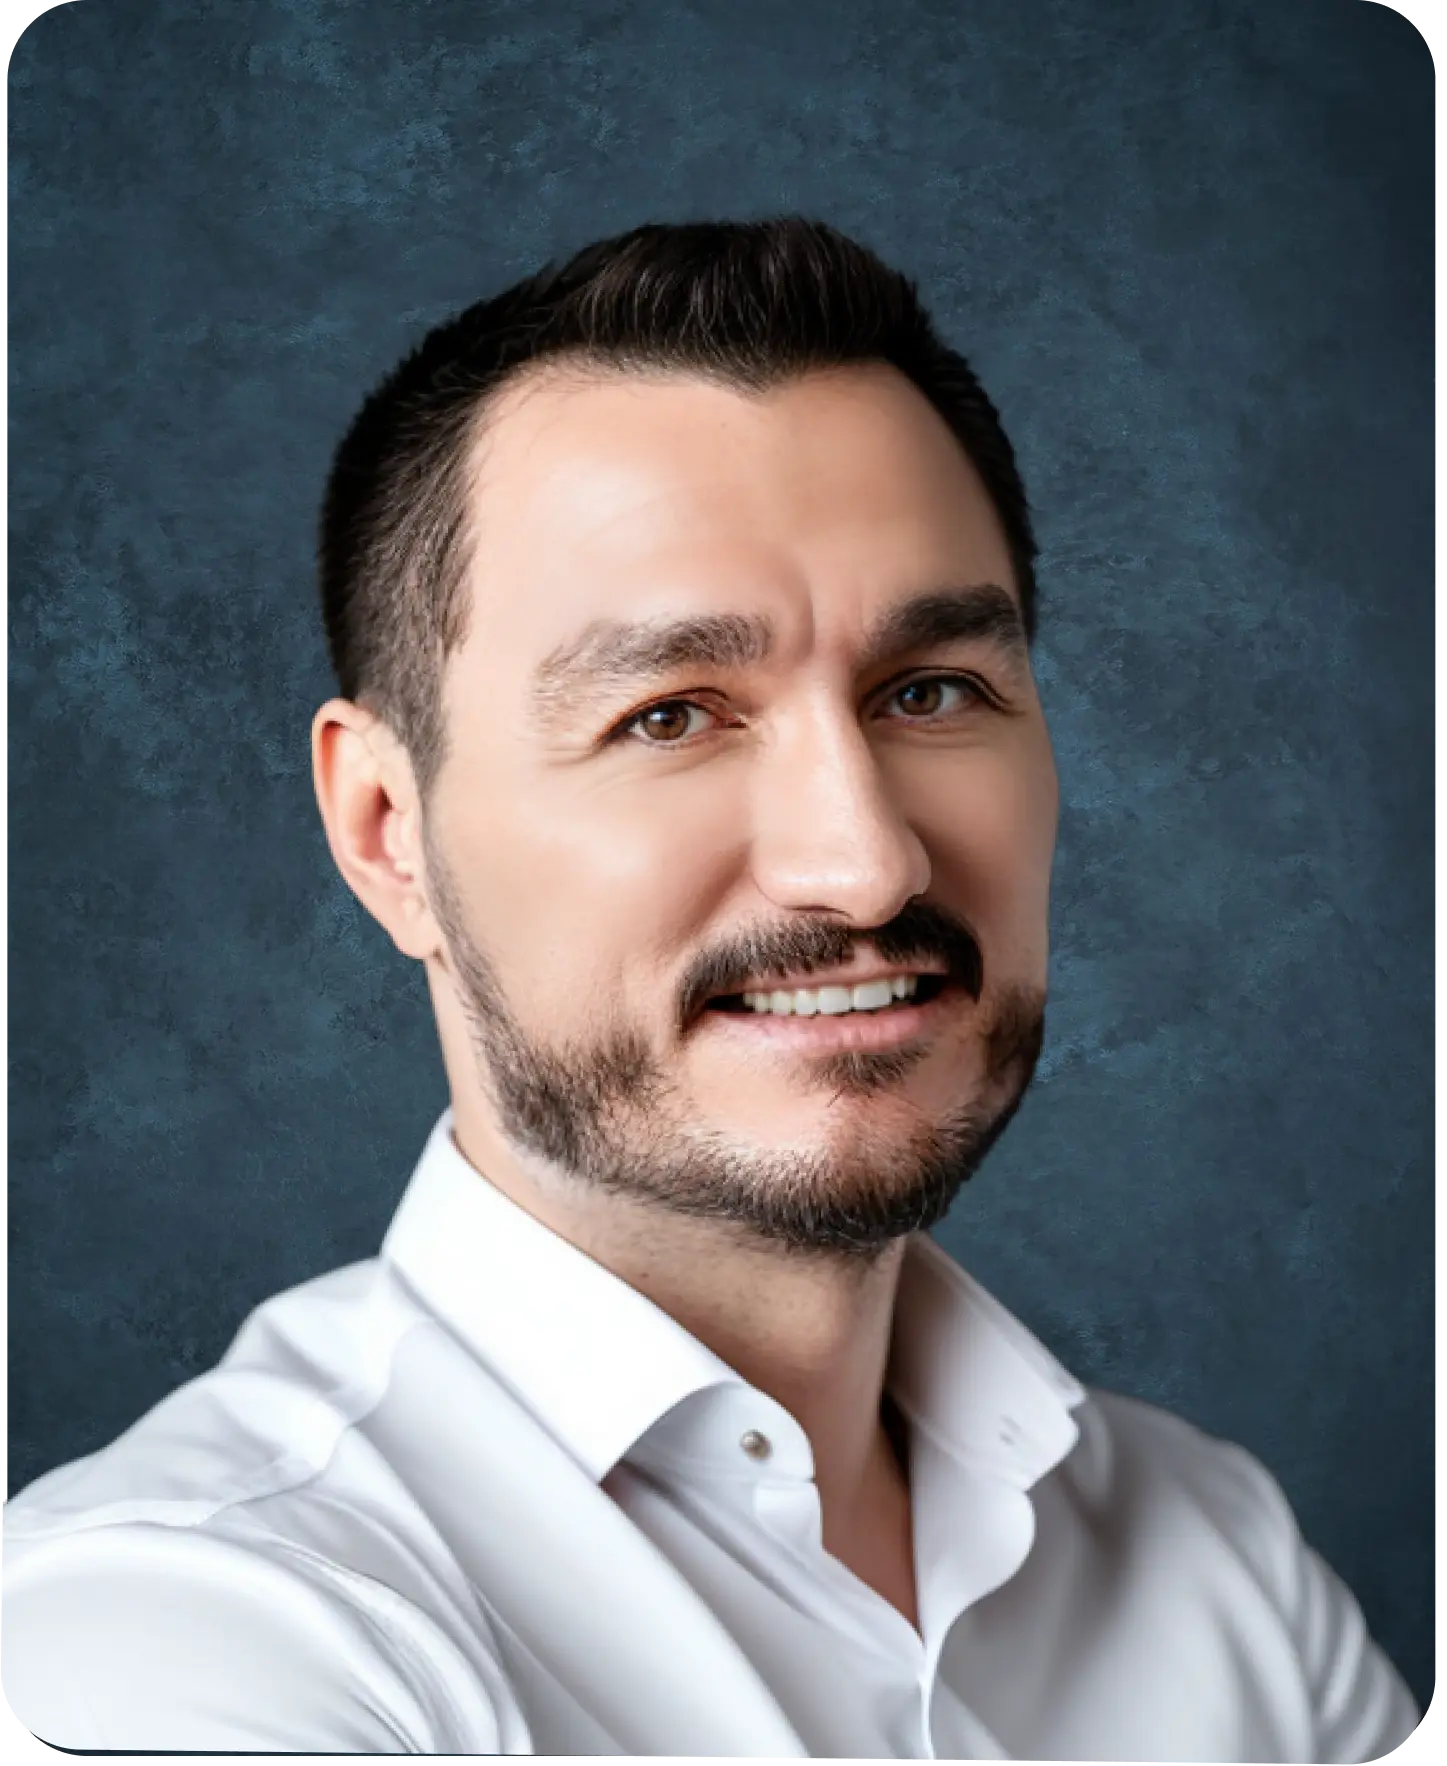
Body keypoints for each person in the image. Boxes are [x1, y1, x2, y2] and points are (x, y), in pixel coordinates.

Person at [0, 218, 1421, 1762]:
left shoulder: (1213, 1562)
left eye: (930, 691)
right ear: (387, 834)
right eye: (672, 713)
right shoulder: (167, 1645)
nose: (863, 863)